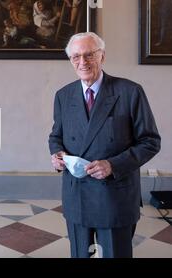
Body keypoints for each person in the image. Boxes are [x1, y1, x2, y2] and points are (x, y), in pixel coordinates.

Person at [49, 32, 161, 258]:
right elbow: (56, 136)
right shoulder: (63, 95)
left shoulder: (129, 92)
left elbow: (150, 142)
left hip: (114, 196)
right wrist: (57, 154)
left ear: (102, 57)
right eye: (76, 56)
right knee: (80, 255)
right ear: (70, 60)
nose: (83, 62)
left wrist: (113, 165)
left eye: (89, 55)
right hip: (76, 194)